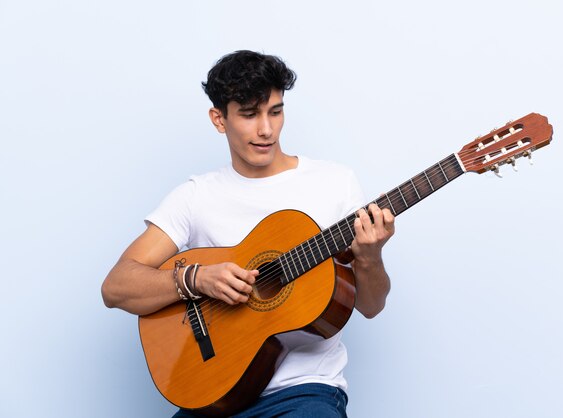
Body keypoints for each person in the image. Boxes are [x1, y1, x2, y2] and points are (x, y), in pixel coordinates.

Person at [101, 50, 395, 417]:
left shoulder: (334, 183)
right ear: (219, 119)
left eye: (275, 111)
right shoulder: (196, 196)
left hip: (305, 393)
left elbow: (370, 306)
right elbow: (115, 287)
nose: (266, 130)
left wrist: (370, 257)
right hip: (214, 395)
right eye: (249, 114)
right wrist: (197, 279)